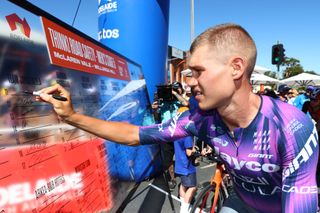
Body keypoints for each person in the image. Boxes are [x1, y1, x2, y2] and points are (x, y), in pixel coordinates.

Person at [36, 23, 318, 213]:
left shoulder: (292, 127)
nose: (189, 82)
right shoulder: (200, 119)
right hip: (241, 203)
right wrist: (72, 117)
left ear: (236, 68)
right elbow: (134, 135)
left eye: (197, 71)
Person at [151, 82, 190, 190]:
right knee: (167, 160)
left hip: (179, 134)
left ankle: (185, 177)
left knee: (183, 157)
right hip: (167, 135)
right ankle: (172, 179)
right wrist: (154, 108)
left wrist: (173, 93)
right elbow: (156, 117)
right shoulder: (161, 104)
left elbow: (186, 103)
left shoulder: (178, 102)